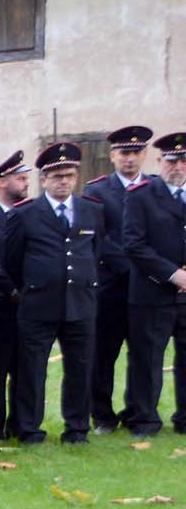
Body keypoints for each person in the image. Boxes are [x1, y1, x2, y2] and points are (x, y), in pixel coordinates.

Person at [4, 142, 103, 445]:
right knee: (32, 370)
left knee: (80, 368)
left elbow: (95, 253)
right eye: (57, 175)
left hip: (80, 303)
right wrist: (27, 289)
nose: (63, 181)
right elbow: (11, 259)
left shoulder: (91, 210)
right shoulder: (26, 214)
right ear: (44, 179)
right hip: (38, 304)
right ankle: (29, 430)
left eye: (69, 175)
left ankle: (77, 429)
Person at [82, 125, 153, 432]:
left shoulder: (155, 188)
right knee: (103, 354)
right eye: (124, 153)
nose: (130, 159)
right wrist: (135, 265)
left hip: (149, 288)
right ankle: (102, 416)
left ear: (145, 154)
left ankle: (138, 412)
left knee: (144, 354)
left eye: (136, 152)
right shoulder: (96, 191)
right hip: (111, 286)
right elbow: (100, 237)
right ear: (112, 155)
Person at [119, 130, 186, 437]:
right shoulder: (140, 195)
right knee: (147, 360)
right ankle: (145, 419)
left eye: (183, 160)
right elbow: (133, 244)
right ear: (159, 161)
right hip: (152, 290)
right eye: (172, 161)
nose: (178, 167)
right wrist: (173, 274)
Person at [0, 150, 32, 440]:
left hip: (30, 305)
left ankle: (22, 426)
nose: (26, 183)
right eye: (20, 178)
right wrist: (11, 290)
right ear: (2, 181)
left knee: (25, 369)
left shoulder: (31, 213)